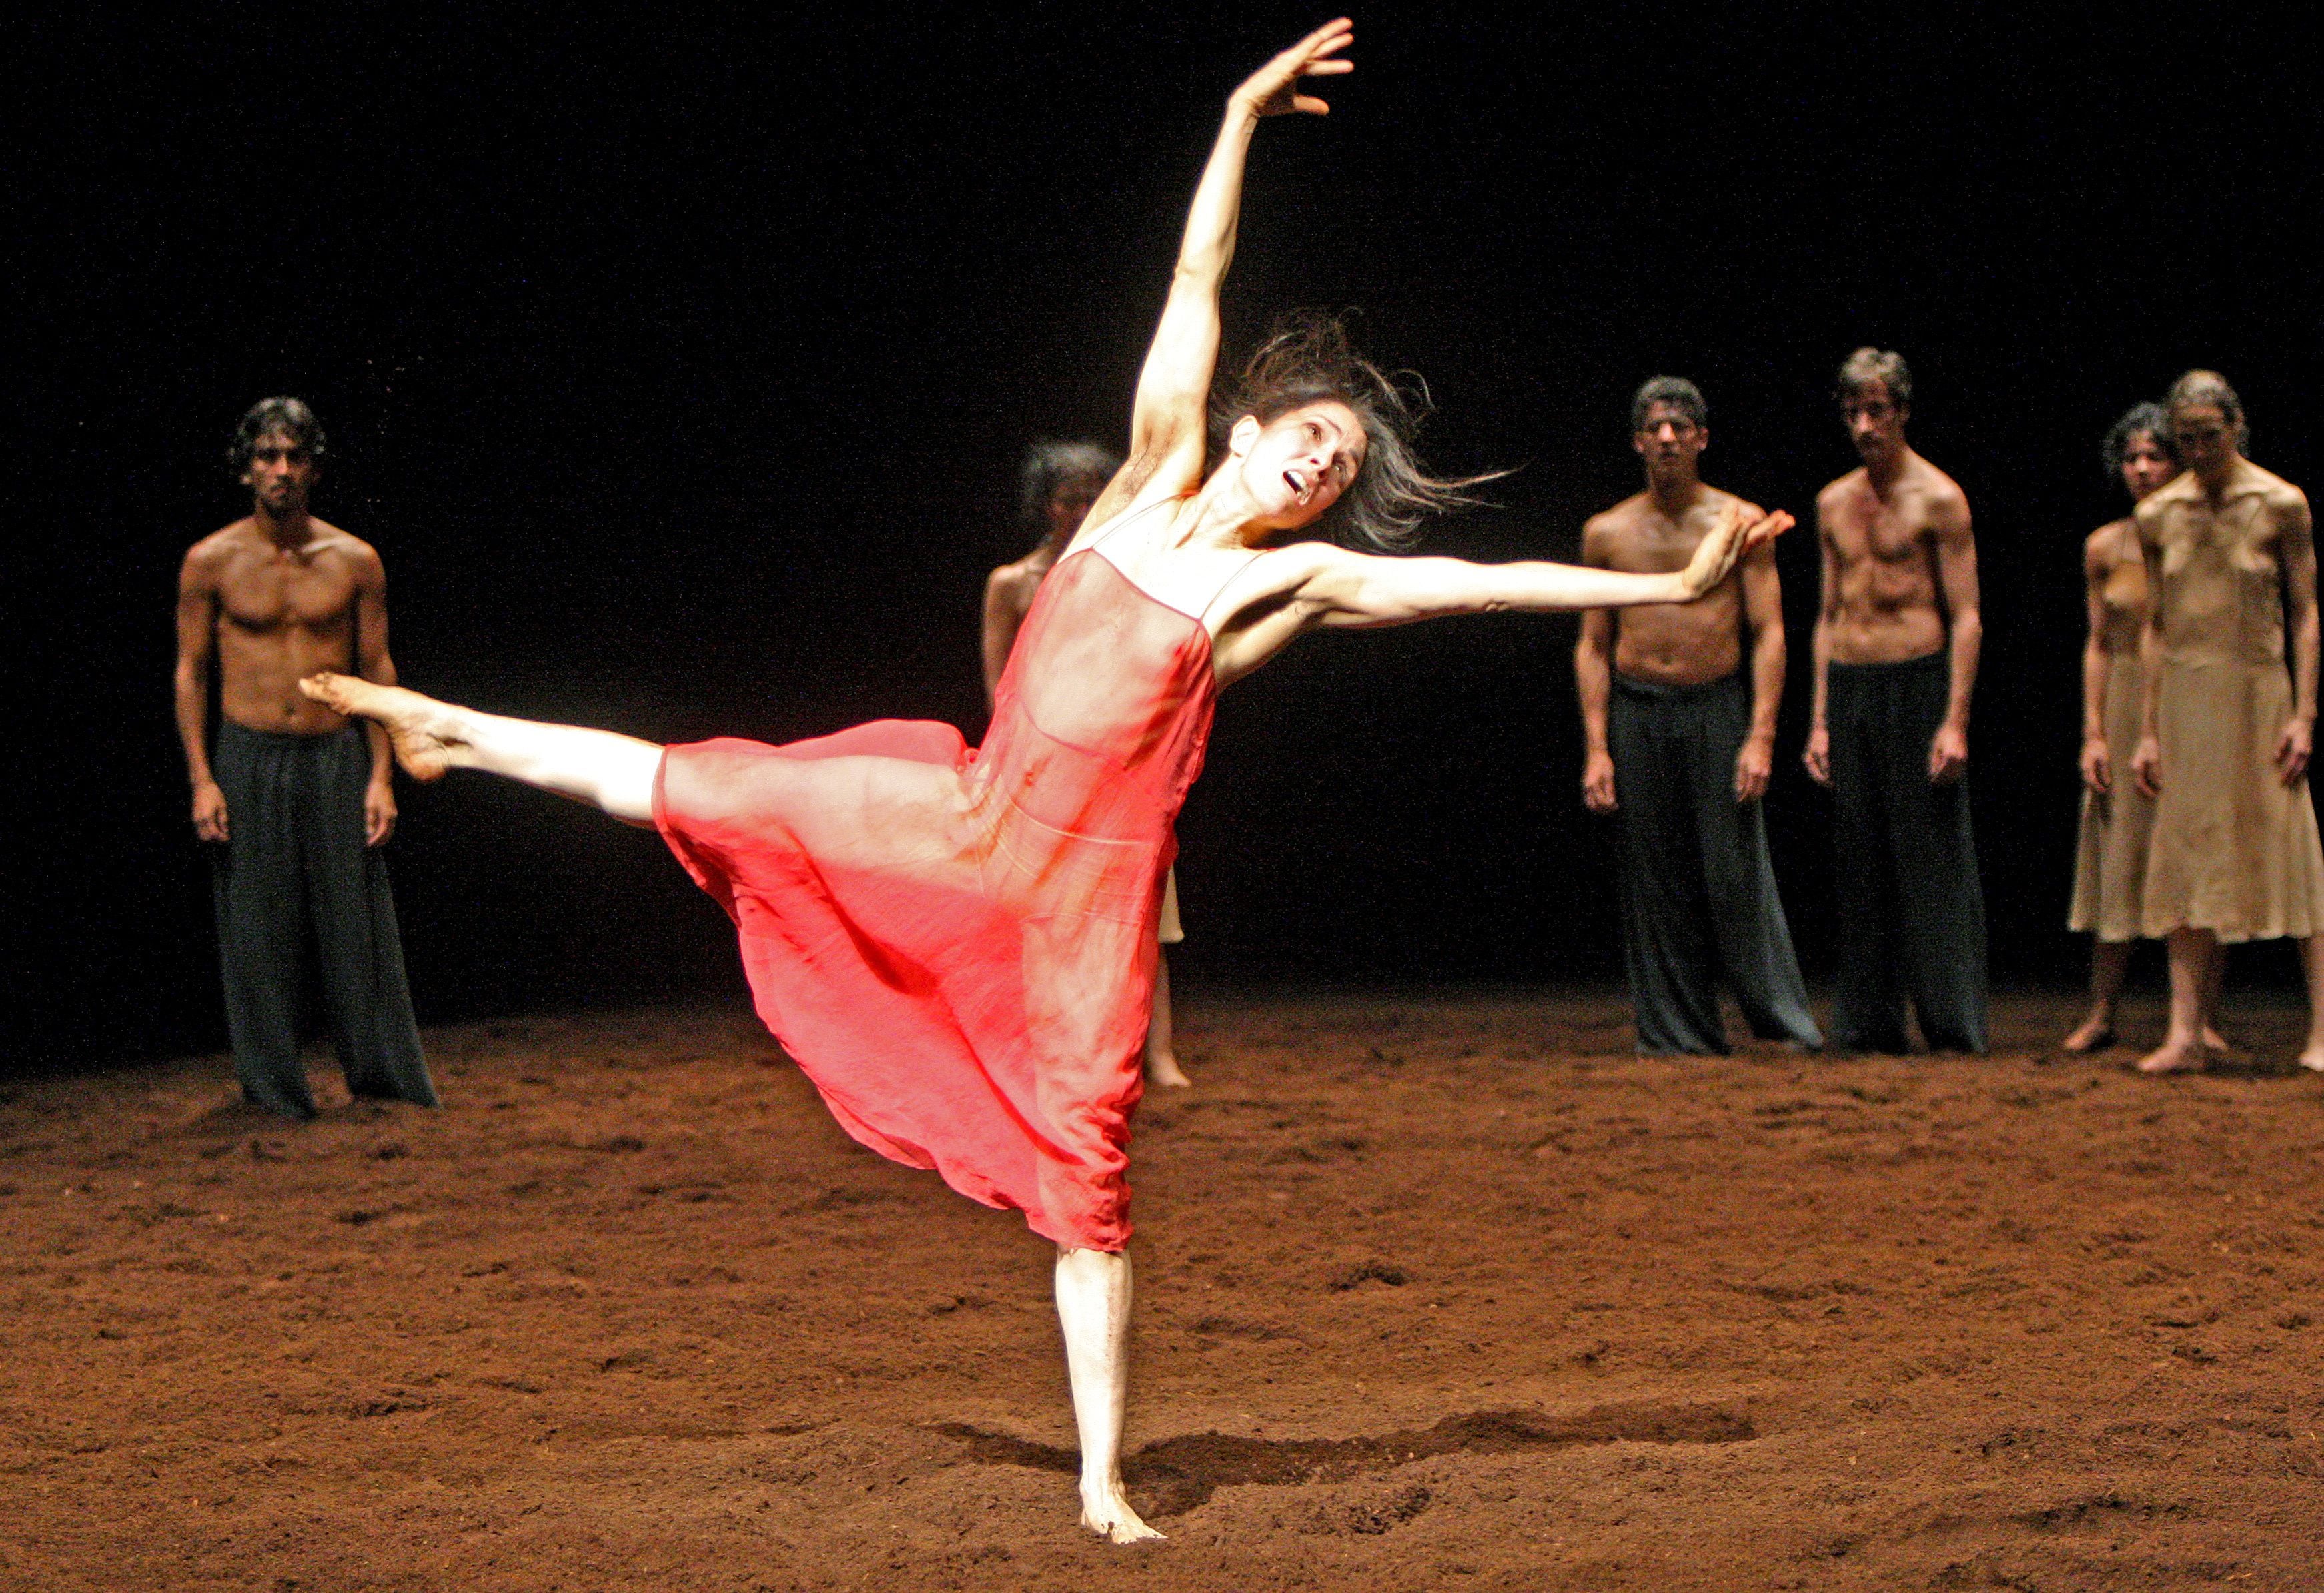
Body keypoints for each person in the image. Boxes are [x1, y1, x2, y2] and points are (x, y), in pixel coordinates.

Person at [300, 20, 1786, 1542]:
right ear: (1253, 426)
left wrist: (1668, 582)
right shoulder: (1142, 481)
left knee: (1090, 1177)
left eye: (1341, 467)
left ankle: (1098, 1481)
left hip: (1082, 910)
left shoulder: (1288, 585)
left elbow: (1481, 586)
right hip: (966, 817)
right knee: (713, 787)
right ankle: (449, 728)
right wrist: (1237, 115)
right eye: (1312, 438)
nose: (1321, 467)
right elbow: (1196, 276)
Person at [173, 398, 438, 1121]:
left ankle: (382, 1081)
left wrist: (382, 775)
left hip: (335, 753)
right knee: (257, 929)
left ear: (315, 468)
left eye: (295, 456)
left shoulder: (354, 560)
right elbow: (192, 672)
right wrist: (202, 779)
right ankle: (274, 1091)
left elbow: (376, 668)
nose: (282, 470)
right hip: (248, 754)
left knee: (357, 924)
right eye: (268, 456)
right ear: (246, 468)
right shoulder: (210, 561)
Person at [1574, 377, 1819, 1054]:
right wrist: (1596, 748)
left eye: (1680, 426)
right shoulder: (1607, 532)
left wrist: (1761, 737)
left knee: (1735, 870)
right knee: (1655, 874)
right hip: (1638, 709)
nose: (1667, 438)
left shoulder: (1739, 522)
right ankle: (1675, 1033)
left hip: (1716, 706)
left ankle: (1783, 1024)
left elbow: (1769, 632)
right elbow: (1592, 645)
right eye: (1654, 427)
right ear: (1636, 441)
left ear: (1702, 438)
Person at [2130, 370, 2324, 1074]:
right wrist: (2147, 730)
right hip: (2186, 696)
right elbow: (2155, 626)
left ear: (2236, 427)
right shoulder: (2159, 513)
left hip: (2259, 694)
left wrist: (2304, 714)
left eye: (2210, 435)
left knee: (2291, 851)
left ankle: (2322, 1032)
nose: (2198, 450)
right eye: (2185, 439)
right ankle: (2185, 1034)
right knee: (2184, 857)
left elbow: (2305, 613)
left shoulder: (2280, 503)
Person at [985, 440, 1193, 1089]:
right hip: (1042, 768)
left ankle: (1158, 1056)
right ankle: (1050, 1053)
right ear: (1044, 505)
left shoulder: (1130, 575)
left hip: (1120, 762)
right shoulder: (1012, 583)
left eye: (1090, 497)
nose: (1079, 509)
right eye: (1067, 498)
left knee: (1143, 914)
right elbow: (999, 686)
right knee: (1042, 915)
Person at [1804, 348, 1987, 1054]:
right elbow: (1826, 615)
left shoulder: (1939, 498)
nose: (1864, 425)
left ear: (1903, 412)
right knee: (1861, 857)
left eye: (1877, 410)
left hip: (1917, 682)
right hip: (1851, 683)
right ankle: (1868, 1023)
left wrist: (1954, 721)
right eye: (1853, 412)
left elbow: (1966, 617)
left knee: (1931, 857)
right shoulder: (1832, 502)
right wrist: (1819, 721)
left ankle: (1951, 1021)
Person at [2065, 404, 2205, 1051]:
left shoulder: (2202, 538)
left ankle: (2197, 1018)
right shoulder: (2103, 545)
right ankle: (2101, 1012)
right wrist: (2093, 733)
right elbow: (2096, 644)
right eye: (2131, 457)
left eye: (2155, 455)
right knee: (2116, 853)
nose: (2142, 468)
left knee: (2197, 856)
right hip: (2123, 703)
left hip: (2188, 698)